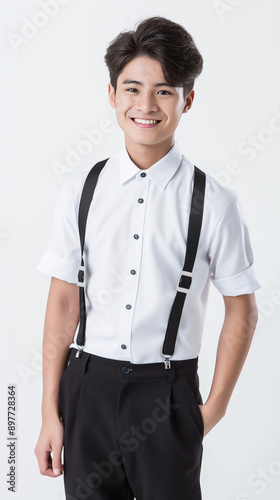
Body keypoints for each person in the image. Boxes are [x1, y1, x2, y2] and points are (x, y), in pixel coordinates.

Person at [34, 16, 260, 500]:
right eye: (133, 88)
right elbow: (62, 303)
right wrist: (49, 411)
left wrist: (212, 408)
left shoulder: (215, 202)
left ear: (187, 100)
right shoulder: (82, 189)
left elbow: (241, 309)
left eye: (164, 91)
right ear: (112, 95)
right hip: (87, 385)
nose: (146, 105)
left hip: (168, 393)